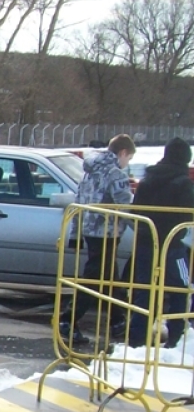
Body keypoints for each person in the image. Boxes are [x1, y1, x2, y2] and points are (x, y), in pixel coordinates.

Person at [57, 134, 135, 344]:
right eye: (129, 158)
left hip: (91, 231)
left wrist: (75, 234)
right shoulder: (116, 174)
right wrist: (142, 228)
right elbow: (126, 206)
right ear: (123, 153)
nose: (128, 163)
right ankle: (68, 319)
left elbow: (78, 202)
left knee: (109, 277)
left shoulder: (90, 172)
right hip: (108, 232)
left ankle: (118, 319)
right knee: (94, 278)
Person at [126, 137, 194, 348]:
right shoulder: (183, 183)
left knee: (144, 292)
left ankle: (137, 340)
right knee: (180, 290)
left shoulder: (147, 180)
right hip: (173, 244)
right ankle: (176, 338)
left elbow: (135, 211)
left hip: (146, 243)